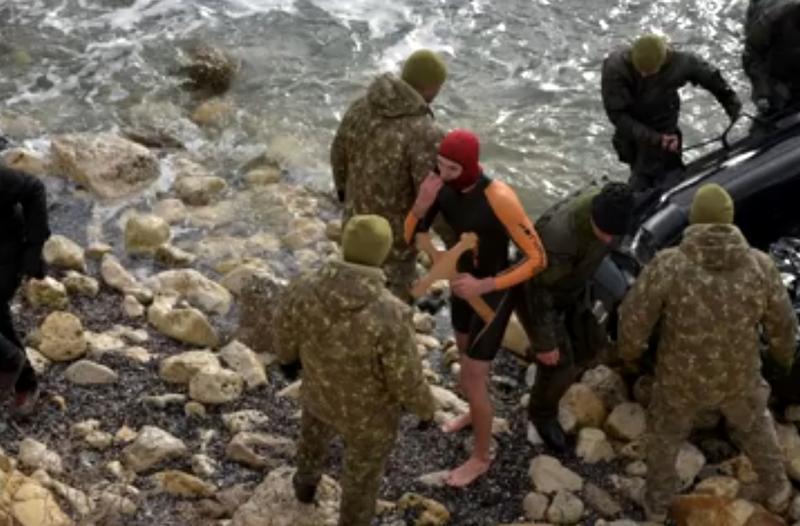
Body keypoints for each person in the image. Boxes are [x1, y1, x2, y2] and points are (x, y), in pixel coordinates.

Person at [618, 183, 795, 521]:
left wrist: (630, 353)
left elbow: (633, 317)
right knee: (757, 427)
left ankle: (655, 506)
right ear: (731, 221)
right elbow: (783, 324)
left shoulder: (669, 264)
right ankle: (778, 491)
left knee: (665, 437)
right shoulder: (759, 266)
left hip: (679, 379)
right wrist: (781, 359)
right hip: (738, 376)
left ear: (694, 221)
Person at [405, 129, 548, 487]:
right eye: (439, 165)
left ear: (469, 167)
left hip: (493, 293)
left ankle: (481, 458)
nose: (443, 173)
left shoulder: (499, 196)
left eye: (452, 168)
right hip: (462, 284)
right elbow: (408, 235)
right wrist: (421, 206)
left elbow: (537, 258)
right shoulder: (441, 186)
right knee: (466, 355)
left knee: (470, 375)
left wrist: (487, 285)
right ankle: (474, 411)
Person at [273, 214, 435, 526]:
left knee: (312, 435)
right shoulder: (390, 313)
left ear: (344, 245)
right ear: (384, 254)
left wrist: (287, 361)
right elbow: (405, 379)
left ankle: (305, 485)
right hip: (369, 415)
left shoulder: (305, 286)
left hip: (319, 390)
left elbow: (283, 328)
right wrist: (425, 409)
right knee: (361, 478)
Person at [331, 49, 449, 302]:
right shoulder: (425, 132)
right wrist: (456, 242)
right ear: (431, 88)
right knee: (390, 307)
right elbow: (433, 199)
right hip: (394, 244)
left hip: (355, 227)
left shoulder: (361, 107)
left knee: (351, 291)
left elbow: (337, 156)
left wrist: (344, 196)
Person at [525, 182, 634, 452]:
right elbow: (536, 292)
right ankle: (541, 414)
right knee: (559, 363)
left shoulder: (613, 215)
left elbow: (609, 246)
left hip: (575, 283)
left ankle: (543, 360)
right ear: (593, 217)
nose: (610, 239)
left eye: (615, 234)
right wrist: (546, 341)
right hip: (539, 292)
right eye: (605, 233)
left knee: (590, 344)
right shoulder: (559, 236)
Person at [602, 34, 742, 191]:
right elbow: (617, 116)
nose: (643, 75)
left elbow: (713, 80)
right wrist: (656, 139)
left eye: (648, 73)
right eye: (639, 71)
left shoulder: (681, 63)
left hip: (665, 126)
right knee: (641, 179)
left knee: (671, 174)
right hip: (633, 135)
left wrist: (734, 109)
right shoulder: (616, 68)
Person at [0, 166, 49, 416]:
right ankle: (25, 383)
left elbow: (34, 188)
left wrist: (34, 247)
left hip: (6, 252)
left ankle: (9, 362)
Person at [743, 0, 800, 120]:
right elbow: (751, 55)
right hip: (772, 57)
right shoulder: (772, 18)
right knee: (771, 109)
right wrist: (762, 92)